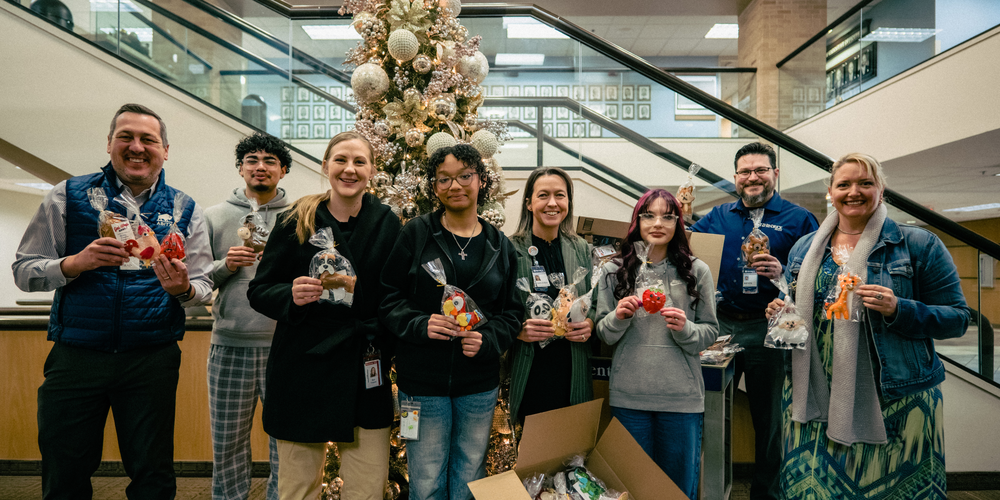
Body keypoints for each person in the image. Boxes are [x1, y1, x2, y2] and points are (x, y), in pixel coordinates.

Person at [12, 103, 213, 499]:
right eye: (126, 137)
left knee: (153, 474)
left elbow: (204, 284)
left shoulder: (186, 209)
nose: (137, 147)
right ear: (109, 144)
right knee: (64, 469)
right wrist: (73, 263)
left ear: (165, 150)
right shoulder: (66, 196)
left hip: (151, 357)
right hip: (76, 355)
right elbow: (24, 271)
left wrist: (183, 291)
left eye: (148, 139)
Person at [765, 153, 970, 499]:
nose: (853, 191)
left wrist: (898, 308)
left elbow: (958, 319)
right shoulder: (805, 248)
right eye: (844, 184)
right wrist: (781, 313)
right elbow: (802, 317)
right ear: (831, 191)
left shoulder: (918, 245)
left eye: (865, 183)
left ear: (881, 189)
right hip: (812, 396)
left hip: (895, 399)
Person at [247, 131, 400, 500]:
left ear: (372, 170)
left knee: (367, 487)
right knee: (298, 487)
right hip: (303, 364)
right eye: (341, 160)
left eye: (359, 161)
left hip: (365, 364)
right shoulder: (296, 220)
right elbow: (259, 290)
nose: (349, 169)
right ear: (325, 166)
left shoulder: (388, 224)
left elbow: (397, 296)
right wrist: (291, 294)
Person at [380, 144, 523, 500]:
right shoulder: (415, 234)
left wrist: (488, 339)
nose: (454, 185)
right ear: (433, 187)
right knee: (426, 479)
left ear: (481, 181)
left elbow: (512, 312)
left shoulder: (499, 245)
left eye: (464, 176)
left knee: (469, 475)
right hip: (420, 382)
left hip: (478, 384)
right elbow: (387, 298)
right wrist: (419, 324)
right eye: (444, 178)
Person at [689, 142, 818, 500]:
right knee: (708, 409)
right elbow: (685, 248)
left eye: (760, 170)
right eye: (745, 171)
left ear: (775, 174)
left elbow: (818, 275)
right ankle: (709, 489)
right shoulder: (718, 217)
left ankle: (766, 494)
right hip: (722, 325)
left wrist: (785, 273)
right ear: (735, 178)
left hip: (771, 330)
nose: (752, 177)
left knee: (769, 419)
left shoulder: (799, 219)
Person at [594, 189, 719, 500]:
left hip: (681, 401)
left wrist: (685, 329)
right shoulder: (613, 271)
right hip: (629, 399)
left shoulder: (696, 271)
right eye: (649, 215)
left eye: (668, 215)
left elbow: (710, 332)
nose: (658, 223)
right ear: (637, 221)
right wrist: (619, 318)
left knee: (674, 491)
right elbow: (603, 334)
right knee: (630, 488)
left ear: (678, 223)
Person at [204, 132, 292, 500]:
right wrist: (226, 265)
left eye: (270, 161)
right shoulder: (215, 216)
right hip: (230, 345)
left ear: (283, 170)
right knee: (227, 443)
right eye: (252, 160)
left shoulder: (298, 217)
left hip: (285, 347)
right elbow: (193, 282)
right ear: (241, 168)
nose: (261, 167)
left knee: (285, 445)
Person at [507, 167, 594, 426]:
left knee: (572, 451)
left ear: (568, 201)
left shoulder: (579, 247)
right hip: (531, 369)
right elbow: (496, 309)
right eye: (543, 195)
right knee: (534, 456)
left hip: (572, 368)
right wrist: (517, 330)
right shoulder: (510, 249)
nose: (553, 203)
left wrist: (589, 324)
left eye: (560, 195)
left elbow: (596, 302)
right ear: (529, 203)